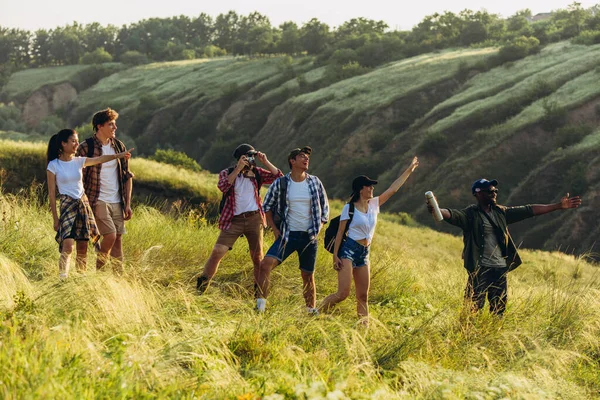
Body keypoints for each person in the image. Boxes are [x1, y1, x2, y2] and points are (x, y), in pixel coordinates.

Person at [427, 178, 582, 316]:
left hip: (500, 268)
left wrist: (558, 206)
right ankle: (464, 338)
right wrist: (437, 210)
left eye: (495, 191)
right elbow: (453, 214)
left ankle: (492, 339)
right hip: (480, 269)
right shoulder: (470, 214)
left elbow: (529, 210)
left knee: (498, 310)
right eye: (490, 191)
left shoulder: (501, 212)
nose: (494, 193)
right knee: (472, 308)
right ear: (478, 194)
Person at [320, 157, 419, 320]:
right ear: (361, 189)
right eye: (369, 186)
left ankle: (363, 331)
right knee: (343, 293)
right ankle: (317, 310)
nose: (372, 188)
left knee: (363, 296)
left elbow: (393, 189)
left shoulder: (374, 204)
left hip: (364, 253)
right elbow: (340, 232)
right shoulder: (349, 208)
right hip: (348, 250)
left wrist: (409, 170)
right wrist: (335, 255)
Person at [196, 143, 283, 294]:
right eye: (248, 157)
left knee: (257, 257)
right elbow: (223, 186)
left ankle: (258, 292)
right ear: (240, 158)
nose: (250, 160)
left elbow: (279, 177)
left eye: (252, 157)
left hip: (254, 218)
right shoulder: (228, 172)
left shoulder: (256, 173)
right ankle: (202, 286)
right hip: (233, 219)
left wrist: (265, 162)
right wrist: (238, 169)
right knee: (218, 251)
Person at [46, 129, 132, 280]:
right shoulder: (53, 165)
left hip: (83, 204)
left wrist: (118, 156)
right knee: (67, 246)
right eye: (73, 141)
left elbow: (100, 159)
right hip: (67, 206)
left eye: (77, 141)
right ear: (63, 143)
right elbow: (52, 195)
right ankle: (62, 278)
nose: (77, 144)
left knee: (83, 246)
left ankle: (81, 278)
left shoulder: (79, 161)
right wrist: (55, 218)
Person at [256, 146, 329, 314]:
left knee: (308, 276)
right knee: (265, 265)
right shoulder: (281, 183)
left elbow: (324, 210)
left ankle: (310, 310)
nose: (306, 159)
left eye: (307, 157)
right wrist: (274, 229)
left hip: (309, 237)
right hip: (287, 236)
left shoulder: (314, 182)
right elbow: (266, 206)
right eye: (302, 157)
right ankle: (260, 307)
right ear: (292, 161)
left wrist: (319, 228)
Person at [76, 108, 134, 274]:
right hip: (97, 199)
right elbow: (77, 176)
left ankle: (118, 278)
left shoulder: (118, 146)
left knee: (118, 240)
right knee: (110, 236)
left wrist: (127, 203)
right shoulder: (86, 147)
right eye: (111, 124)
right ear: (100, 126)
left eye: (115, 124)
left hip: (117, 200)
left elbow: (127, 176)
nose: (115, 128)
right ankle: (99, 274)